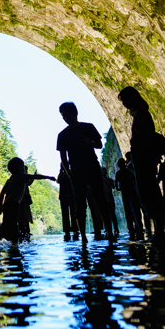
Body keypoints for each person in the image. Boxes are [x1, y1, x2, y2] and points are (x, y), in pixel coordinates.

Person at [117, 87, 165, 241]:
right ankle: (158, 232)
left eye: (125, 100)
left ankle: (159, 233)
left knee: (149, 194)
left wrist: (145, 155)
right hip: (143, 161)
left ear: (132, 98)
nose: (124, 104)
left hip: (144, 161)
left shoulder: (141, 114)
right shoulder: (140, 113)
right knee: (148, 193)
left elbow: (146, 138)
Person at [57, 102, 111, 243]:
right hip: (76, 172)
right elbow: (63, 156)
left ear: (75, 113)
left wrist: (90, 143)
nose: (65, 118)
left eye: (67, 114)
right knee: (79, 203)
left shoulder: (88, 127)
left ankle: (109, 232)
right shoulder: (62, 135)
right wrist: (68, 172)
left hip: (92, 167)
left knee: (100, 200)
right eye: (63, 115)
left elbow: (99, 144)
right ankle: (83, 237)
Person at [0, 158, 55, 249]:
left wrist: (0, 206)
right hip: (14, 204)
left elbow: (2, 192)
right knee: (6, 225)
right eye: (22, 166)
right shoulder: (21, 176)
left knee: (12, 225)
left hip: (7, 204)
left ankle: (14, 244)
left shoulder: (10, 179)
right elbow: (34, 177)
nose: (23, 168)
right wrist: (49, 177)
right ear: (18, 168)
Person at [115, 155, 143, 240]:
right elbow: (135, 180)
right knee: (135, 208)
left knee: (127, 210)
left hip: (124, 192)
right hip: (131, 190)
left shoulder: (118, 173)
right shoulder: (129, 172)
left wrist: (118, 188)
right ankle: (138, 226)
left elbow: (116, 182)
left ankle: (131, 228)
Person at [57, 166, 79, 241]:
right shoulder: (70, 173)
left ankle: (67, 231)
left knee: (65, 214)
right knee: (73, 213)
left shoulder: (61, 175)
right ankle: (75, 230)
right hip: (71, 196)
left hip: (63, 197)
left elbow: (58, 181)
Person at [101, 167, 120, 238]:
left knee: (105, 215)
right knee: (113, 214)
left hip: (104, 200)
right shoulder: (110, 180)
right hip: (111, 199)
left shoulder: (99, 182)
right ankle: (116, 228)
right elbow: (113, 187)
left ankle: (107, 229)